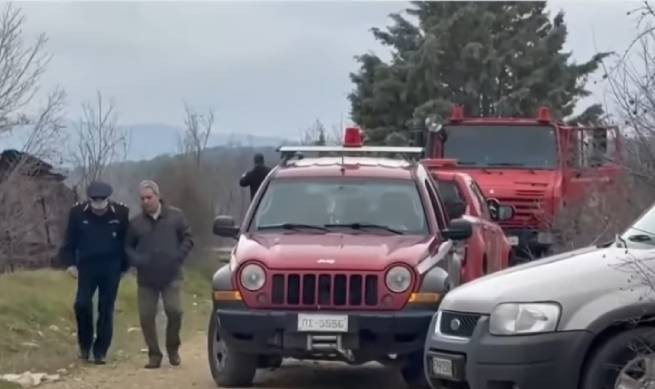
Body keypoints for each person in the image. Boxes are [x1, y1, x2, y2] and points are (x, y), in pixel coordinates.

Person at [58, 181, 130, 365]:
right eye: (95, 200)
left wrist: (124, 267)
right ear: (89, 200)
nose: (99, 204)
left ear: (108, 199)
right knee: (81, 304)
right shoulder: (77, 213)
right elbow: (69, 241)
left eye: (102, 200)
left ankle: (100, 351)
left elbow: (126, 243)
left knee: (106, 308)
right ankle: (85, 344)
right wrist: (70, 264)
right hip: (87, 266)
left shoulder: (121, 213)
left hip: (111, 266)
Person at [125, 180, 194, 369]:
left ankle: (173, 348)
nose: (146, 201)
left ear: (157, 196)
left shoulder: (175, 217)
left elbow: (188, 238)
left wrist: (178, 256)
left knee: (175, 311)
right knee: (146, 316)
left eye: (149, 197)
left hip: (171, 274)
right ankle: (154, 354)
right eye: (142, 198)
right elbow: (127, 246)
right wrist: (137, 260)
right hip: (146, 278)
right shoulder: (136, 223)